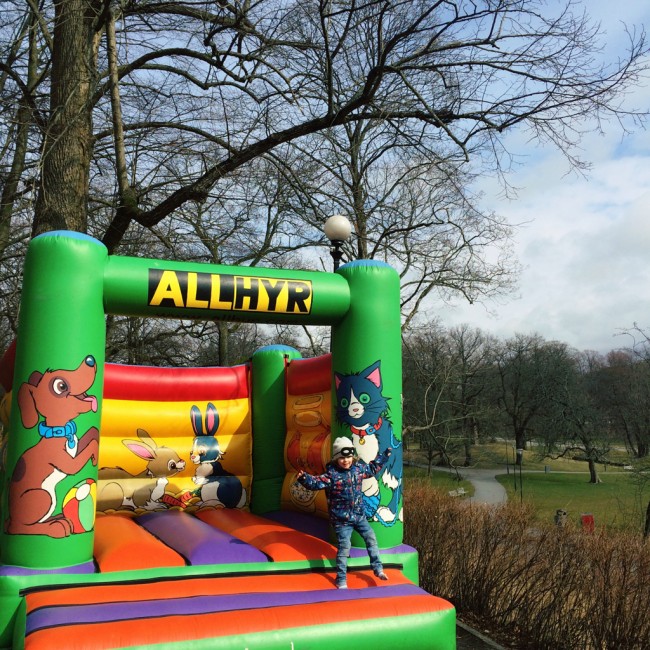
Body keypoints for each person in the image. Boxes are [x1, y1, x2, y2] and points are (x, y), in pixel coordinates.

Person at [296, 437, 391, 589]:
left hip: (359, 516)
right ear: (335, 458)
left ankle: (378, 568)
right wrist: (304, 478)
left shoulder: (359, 469)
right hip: (342, 520)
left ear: (353, 457)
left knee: (371, 538)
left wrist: (384, 455)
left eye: (348, 457)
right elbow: (315, 483)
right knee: (344, 547)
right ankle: (341, 579)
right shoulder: (332, 475)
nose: (345, 461)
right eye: (341, 458)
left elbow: (373, 468)